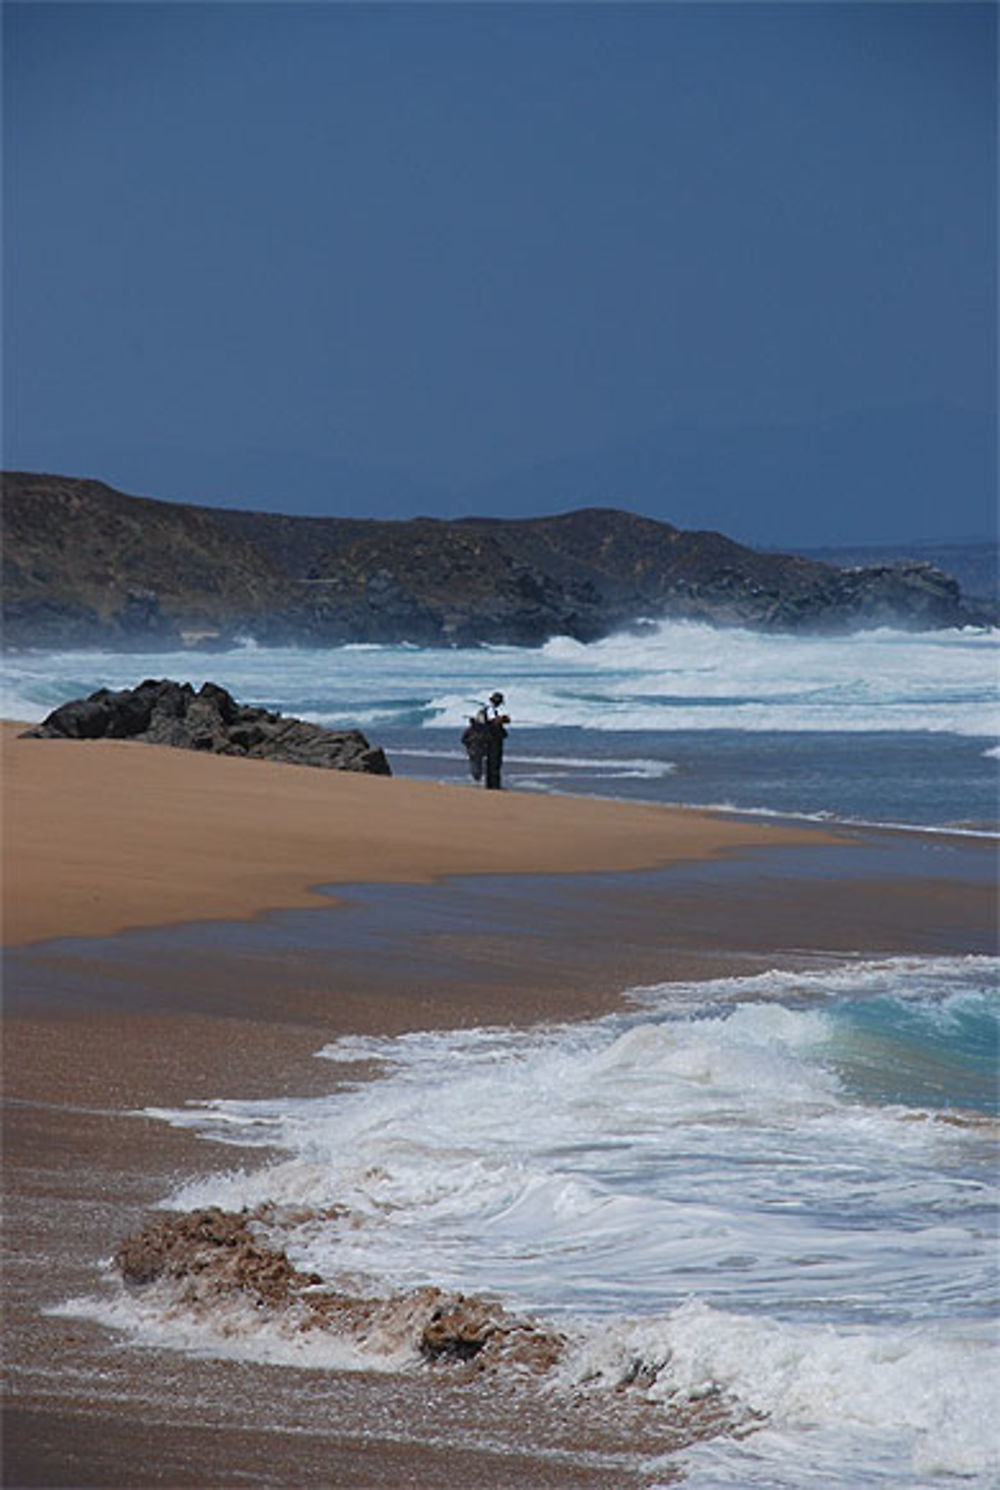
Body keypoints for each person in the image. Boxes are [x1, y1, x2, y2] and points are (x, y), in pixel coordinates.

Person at [462, 690, 509, 789]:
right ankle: (494, 786)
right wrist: (503, 719)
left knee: (492, 763)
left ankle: (492, 785)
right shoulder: (490, 710)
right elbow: (493, 721)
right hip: (493, 740)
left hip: (490, 739)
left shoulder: (489, 710)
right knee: (494, 763)